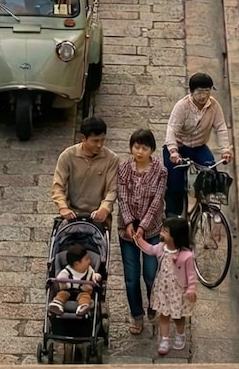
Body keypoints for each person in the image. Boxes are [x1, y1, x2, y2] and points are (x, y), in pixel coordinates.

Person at [117, 128, 167, 334]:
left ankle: (153, 305)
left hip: (152, 229)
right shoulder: (124, 169)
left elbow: (157, 202)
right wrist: (129, 223)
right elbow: (122, 197)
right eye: (136, 147)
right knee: (131, 276)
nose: (139, 151)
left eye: (144, 148)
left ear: (152, 150)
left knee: (150, 273)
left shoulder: (160, 171)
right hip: (127, 232)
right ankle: (137, 316)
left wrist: (143, 226)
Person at [163, 73, 233, 217]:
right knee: (174, 186)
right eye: (199, 92)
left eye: (207, 91)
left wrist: (225, 149)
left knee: (212, 172)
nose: (203, 96)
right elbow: (171, 129)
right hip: (180, 147)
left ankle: (209, 208)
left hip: (199, 147)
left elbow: (220, 127)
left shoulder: (214, 106)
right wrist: (173, 151)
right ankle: (172, 216)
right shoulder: (182, 106)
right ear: (192, 92)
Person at [135, 218, 197, 356]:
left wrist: (191, 289)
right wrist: (139, 240)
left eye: (165, 231)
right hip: (163, 289)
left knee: (178, 316)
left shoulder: (186, 256)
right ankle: (164, 339)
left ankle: (180, 335)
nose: (161, 233)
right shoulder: (161, 248)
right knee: (163, 315)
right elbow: (150, 249)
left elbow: (191, 275)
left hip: (178, 291)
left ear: (175, 236)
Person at [52, 115, 120, 225]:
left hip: (98, 216)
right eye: (95, 141)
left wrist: (105, 208)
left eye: (102, 140)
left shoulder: (111, 159)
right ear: (83, 138)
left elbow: (112, 189)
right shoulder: (68, 156)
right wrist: (63, 207)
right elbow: (58, 185)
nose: (99, 145)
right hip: (72, 214)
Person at [47, 241, 102, 318]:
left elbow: (95, 276)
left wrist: (96, 277)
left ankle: (82, 307)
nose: (89, 261)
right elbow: (59, 280)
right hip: (68, 290)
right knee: (61, 294)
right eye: (86, 259)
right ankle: (57, 305)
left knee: (85, 297)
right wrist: (61, 282)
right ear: (76, 264)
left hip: (82, 291)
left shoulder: (89, 271)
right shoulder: (67, 271)